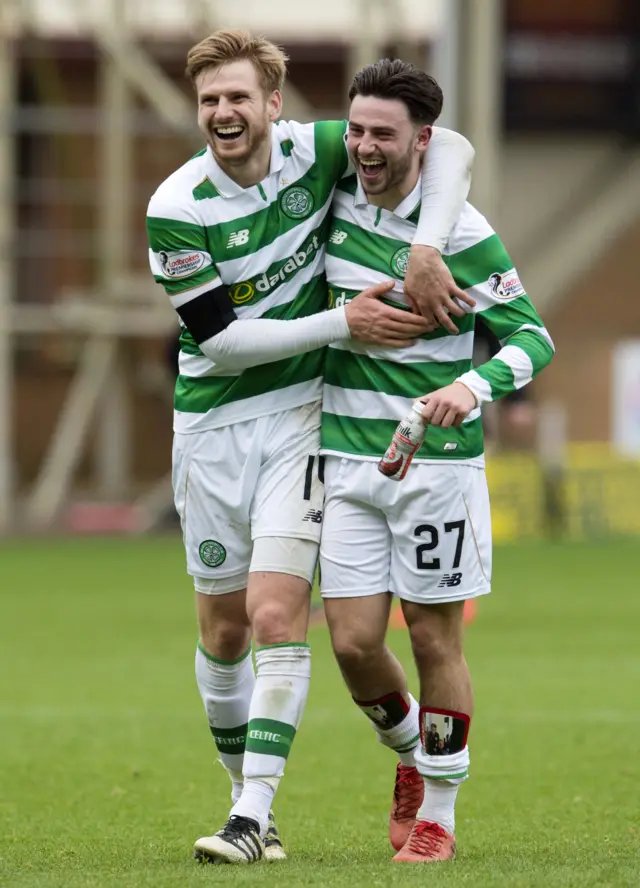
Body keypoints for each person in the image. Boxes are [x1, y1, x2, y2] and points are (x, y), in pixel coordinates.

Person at [146, 30, 476, 865]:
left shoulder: (316, 150)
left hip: (303, 417)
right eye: (210, 100)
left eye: (238, 98)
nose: (223, 112)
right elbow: (218, 341)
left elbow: (452, 145)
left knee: (272, 614)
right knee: (222, 632)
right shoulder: (175, 209)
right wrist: (343, 322)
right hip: (212, 430)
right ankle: (339, 771)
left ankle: (253, 818)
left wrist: (424, 244)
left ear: (273, 106)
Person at [319, 59, 555, 863]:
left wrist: (472, 384)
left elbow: (534, 337)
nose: (364, 147)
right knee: (352, 643)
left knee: (432, 639)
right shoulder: (333, 201)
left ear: (419, 139)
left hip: (439, 467)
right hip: (346, 460)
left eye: (381, 133)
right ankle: (415, 752)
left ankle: (439, 818)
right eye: (356, 130)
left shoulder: (460, 229)